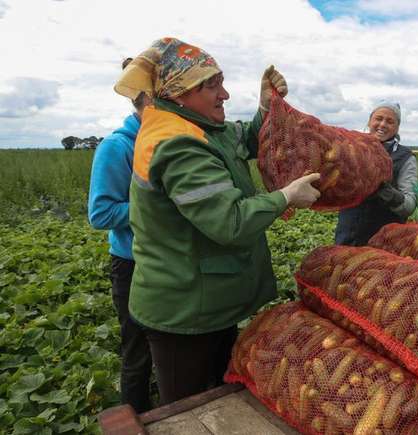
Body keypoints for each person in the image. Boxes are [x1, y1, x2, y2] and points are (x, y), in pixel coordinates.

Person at [113, 37, 320, 405]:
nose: (224, 94)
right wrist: (287, 196)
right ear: (179, 92)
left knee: (219, 398)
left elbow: (246, 139)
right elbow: (229, 222)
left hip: (210, 302)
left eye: (221, 82)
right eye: (212, 85)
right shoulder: (176, 143)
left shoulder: (201, 127)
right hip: (184, 310)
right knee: (186, 409)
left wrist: (266, 108)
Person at [87, 58, 153, 413]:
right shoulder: (118, 147)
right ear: (144, 101)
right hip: (132, 265)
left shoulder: (166, 142)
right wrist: (153, 210)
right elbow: (100, 214)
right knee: (136, 352)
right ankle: (136, 415)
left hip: (164, 264)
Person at [335, 101, 418, 246]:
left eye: (390, 121)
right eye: (378, 119)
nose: (383, 124)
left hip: (385, 241)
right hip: (348, 235)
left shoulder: (405, 157)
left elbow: (409, 206)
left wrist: (389, 194)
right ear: (369, 121)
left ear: (397, 127)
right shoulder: (352, 148)